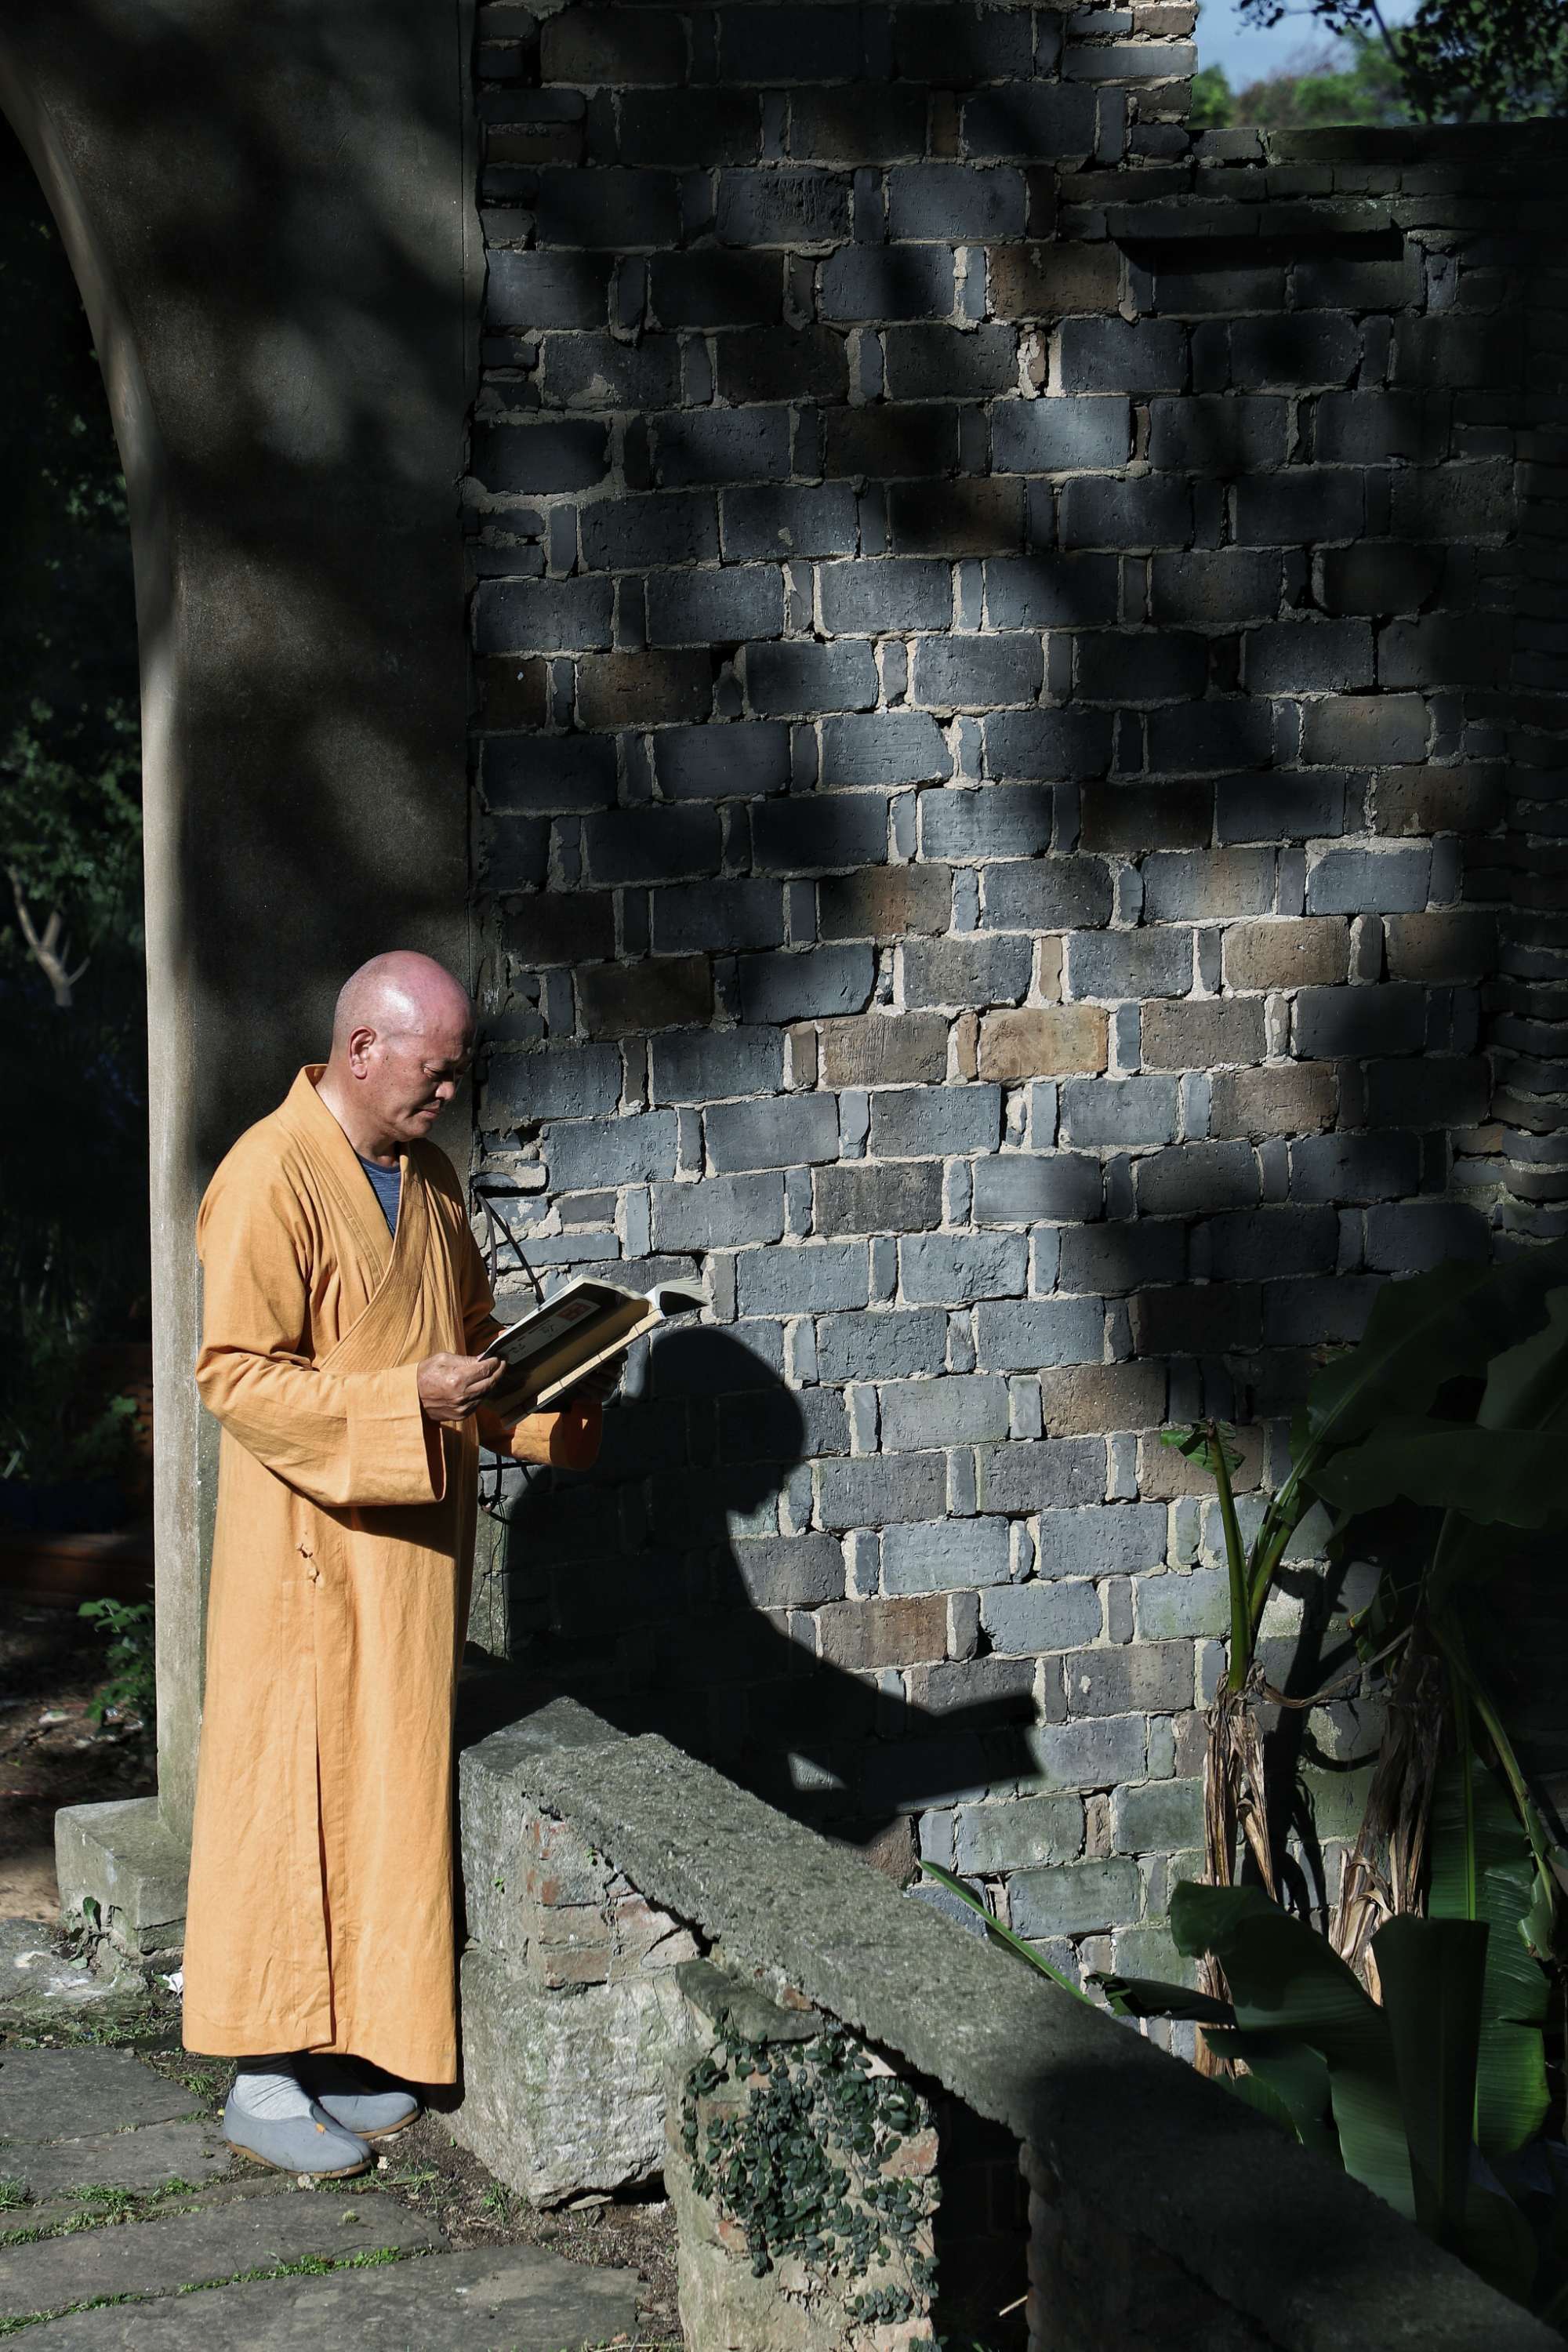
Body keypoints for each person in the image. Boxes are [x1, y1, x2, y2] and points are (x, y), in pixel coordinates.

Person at [181, 950, 613, 2176]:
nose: (449, 1095)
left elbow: (470, 1353)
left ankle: (343, 2049)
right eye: (436, 1072)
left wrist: (557, 1387)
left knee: (380, 1806)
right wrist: (398, 1396)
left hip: (411, 1561)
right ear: (363, 1049)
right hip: (307, 1559)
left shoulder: (428, 1182)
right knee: (291, 1804)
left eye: (457, 1075)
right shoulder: (268, 1176)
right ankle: (262, 2074)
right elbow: (236, 1375)